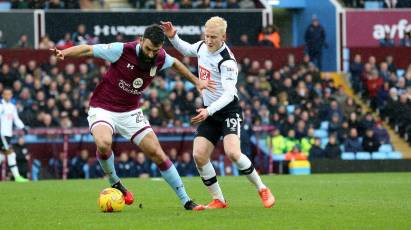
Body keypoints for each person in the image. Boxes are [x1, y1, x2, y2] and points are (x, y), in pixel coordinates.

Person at [50, 24, 215, 211]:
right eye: (148, 49)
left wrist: (196, 82)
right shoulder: (121, 50)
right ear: (141, 39)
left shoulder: (160, 57)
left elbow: (176, 63)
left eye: (156, 50)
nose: (151, 54)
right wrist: (66, 53)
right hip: (103, 108)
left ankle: (186, 201)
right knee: (104, 143)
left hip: (131, 112)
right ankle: (115, 182)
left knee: (158, 154)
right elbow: (89, 49)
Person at [162, 17, 275, 209]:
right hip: (210, 113)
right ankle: (219, 200)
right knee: (199, 155)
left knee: (233, 153)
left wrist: (209, 110)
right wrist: (173, 37)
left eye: (213, 37)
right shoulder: (202, 46)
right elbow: (186, 49)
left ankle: (262, 188)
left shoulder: (227, 61)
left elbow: (230, 94)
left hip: (228, 111)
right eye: (207, 36)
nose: (209, 40)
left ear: (224, 36)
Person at [0, 88, 29, 182]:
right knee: (11, 154)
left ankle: (17, 177)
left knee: (1, 156)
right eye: (5, 94)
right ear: (3, 95)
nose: (7, 96)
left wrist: (23, 127)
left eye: (9, 94)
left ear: (11, 95)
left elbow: (16, 119)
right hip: (2, 134)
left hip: (8, 134)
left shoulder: (12, 107)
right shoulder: (1, 106)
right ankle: (17, 177)